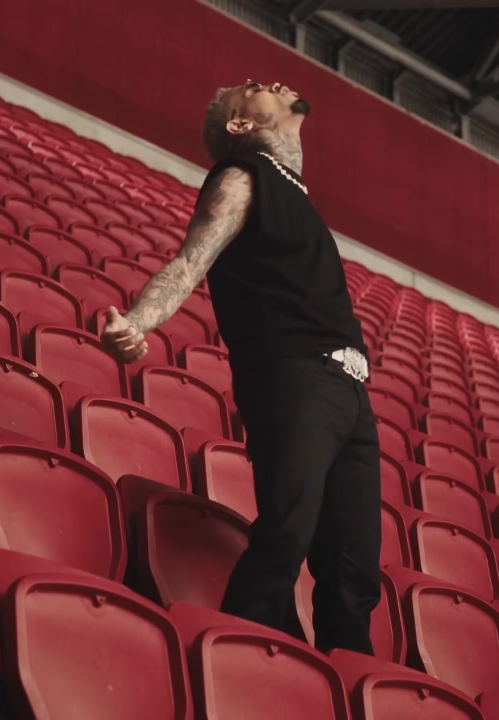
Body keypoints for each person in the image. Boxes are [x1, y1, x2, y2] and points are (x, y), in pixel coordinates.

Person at [101, 80, 381, 654]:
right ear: (241, 125)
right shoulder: (242, 176)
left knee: (354, 575)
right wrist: (137, 322)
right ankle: (237, 661)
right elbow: (190, 261)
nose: (270, 83)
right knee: (286, 537)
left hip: (351, 390)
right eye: (251, 89)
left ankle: (348, 681)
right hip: (297, 379)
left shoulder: (295, 194)